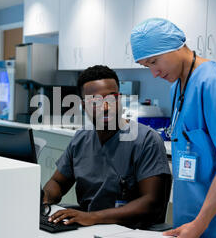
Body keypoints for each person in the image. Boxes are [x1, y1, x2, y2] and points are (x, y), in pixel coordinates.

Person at [130, 18, 216, 238]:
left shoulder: (212, 82)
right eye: (147, 66)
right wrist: (194, 224)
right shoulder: (178, 86)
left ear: (176, 46)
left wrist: (200, 223)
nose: (154, 73)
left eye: (154, 61)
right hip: (190, 221)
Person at [43, 65, 171, 228]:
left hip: (132, 233)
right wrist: (45, 199)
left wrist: (93, 217)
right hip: (90, 229)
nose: (105, 107)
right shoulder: (81, 139)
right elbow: (58, 182)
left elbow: (151, 202)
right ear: (84, 105)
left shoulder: (146, 140)